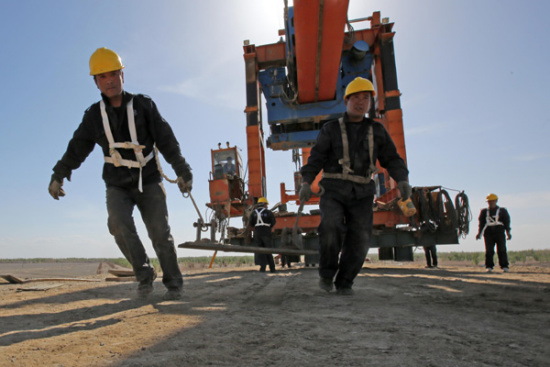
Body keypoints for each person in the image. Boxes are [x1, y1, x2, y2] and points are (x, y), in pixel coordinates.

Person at [48, 47, 193, 300]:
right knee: (117, 224)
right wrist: (58, 175)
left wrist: (182, 171)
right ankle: (144, 275)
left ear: (122, 75)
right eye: (102, 77)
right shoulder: (93, 116)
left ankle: (174, 283)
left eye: (113, 74)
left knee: (159, 231)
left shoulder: (144, 105)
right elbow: (77, 148)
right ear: (95, 82)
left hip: (148, 180)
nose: (109, 80)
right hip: (116, 183)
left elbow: (167, 140)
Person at [299, 77, 411, 295]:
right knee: (330, 226)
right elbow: (316, 158)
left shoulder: (377, 131)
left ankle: (345, 282)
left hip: (362, 192)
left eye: (366, 98)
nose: (361, 102)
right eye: (356, 97)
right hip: (333, 189)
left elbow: (392, 158)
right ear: (346, 101)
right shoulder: (330, 129)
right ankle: (326, 274)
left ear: (370, 102)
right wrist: (306, 182)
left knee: (360, 237)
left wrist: (402, 179)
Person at [475, 193, 511, 273]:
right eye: (489, 201)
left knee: (502, 249)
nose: (490, 203)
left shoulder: (502, 211)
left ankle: (504, 266)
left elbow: (507, 222)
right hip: (488, 232)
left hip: (499, 231)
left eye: (492, 201)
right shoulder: (484, 212)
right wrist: (479, 233)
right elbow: (481, 224)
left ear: (496, 201)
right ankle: (489, 266)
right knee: (489, 250)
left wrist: (508, 232)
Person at [248, 197, 277, 273]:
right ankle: (272, 269)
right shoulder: (268, 212)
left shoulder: (253, 213)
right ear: (264, 204)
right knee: (268, 251)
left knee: (260, 251)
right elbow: (273, 223)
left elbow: (250, 225)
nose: (267, 206)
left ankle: (262, 269)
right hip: (266, 232)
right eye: (266, 204)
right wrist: (268, 229)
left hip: (257, 233)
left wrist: (257, 230)